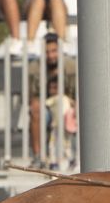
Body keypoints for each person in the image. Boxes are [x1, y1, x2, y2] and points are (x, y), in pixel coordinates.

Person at [28, 34, 76, 166]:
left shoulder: (72, 67)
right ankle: (39, 156)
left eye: (54, 51)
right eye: (47, 52)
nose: (51, 56)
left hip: (69, 107)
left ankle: (72, 155)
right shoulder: (34, 68)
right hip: (46, 108)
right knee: (36, 109)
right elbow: (31, 97)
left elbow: (79, 95)